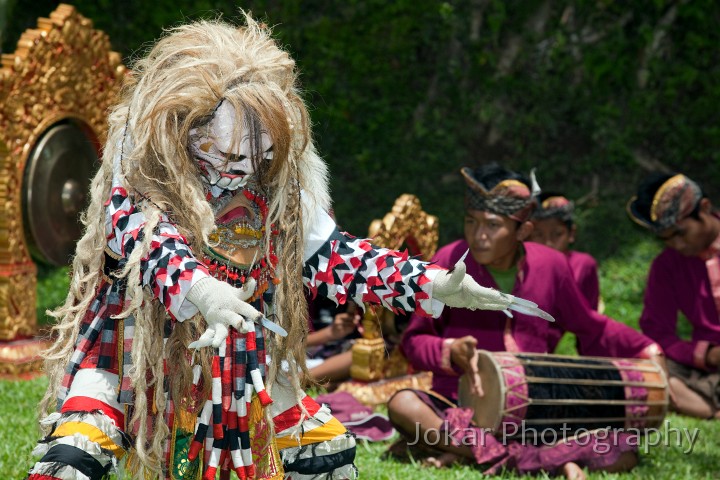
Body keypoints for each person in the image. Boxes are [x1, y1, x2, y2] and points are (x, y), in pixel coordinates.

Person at [27, 16, 553, 480]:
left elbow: (339, 257)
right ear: (187, 130)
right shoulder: (144, 169)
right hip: (131, 346)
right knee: (74, 457)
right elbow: (143, 237)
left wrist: (433, 283)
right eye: (221, 154)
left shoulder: (277, 193)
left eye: (253, 158)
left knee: (324, 452)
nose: (236, 172)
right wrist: (201, 289)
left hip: (234, 361)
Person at [387, 164, 664, 479]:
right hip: (459, 404)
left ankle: (469, 453)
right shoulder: (450, 261)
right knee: (403, 405)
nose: (479, 236)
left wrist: (646, 348)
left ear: (522, 231)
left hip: (534, 408)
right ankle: (541, 460)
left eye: (492, 225)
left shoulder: (552, 265)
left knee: (622, 452)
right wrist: (450, 351)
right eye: (471, 222)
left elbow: (589, 324)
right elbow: (415, 340)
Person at [628, 172, 720, 419]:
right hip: (708, 367)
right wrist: (707, 354)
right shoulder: (666, 265)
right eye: (665, 239)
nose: (676, 245)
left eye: (680, 233)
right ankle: (709, 408)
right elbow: (657, 334)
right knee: (648, 369)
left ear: (705, 208)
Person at [530, 192, 601, 351]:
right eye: (538, 235)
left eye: (557, 234)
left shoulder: (582, 266)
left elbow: (588, 327)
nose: (547, 243)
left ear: (571, 234)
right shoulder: (519, 264)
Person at [305, 296, 360, 383]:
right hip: (308, 354)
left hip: (348, 354)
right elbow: (291, 342)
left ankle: (296, 380)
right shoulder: (306, 293)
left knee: (360, 354)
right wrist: (329, 333)